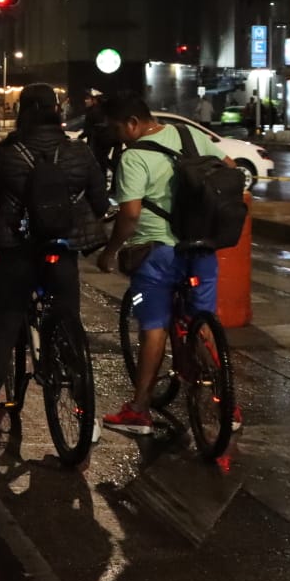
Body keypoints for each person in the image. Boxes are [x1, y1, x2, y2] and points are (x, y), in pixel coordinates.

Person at [0, 83, 108, 445]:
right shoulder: (79, 152)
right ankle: (86, 418)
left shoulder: (7, 153)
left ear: (23, 111)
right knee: (69, 329)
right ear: (56, 110)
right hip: (63, 251)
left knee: (4, 334)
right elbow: (100, 199)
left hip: (18, 252)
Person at [96, 91, 235, 434]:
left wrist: (110, 250)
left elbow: (129, 215)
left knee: (153, 326)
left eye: (117, 129)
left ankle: (140, 410)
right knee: (203, 323)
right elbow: (229, 168)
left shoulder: (134, 158)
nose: (117, 136)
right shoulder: (190, 135)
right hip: (202, 248)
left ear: (132, 123)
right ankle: (229, 407)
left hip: (158, 254)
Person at [80, 89, 117, 184]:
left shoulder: (93, 112)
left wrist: (79, 138)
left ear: (95, 100)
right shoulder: (106, 111)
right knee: (102, 165)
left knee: (95, 166)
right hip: (106, 144)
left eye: (88, 99)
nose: (85, 101)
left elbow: (87, 130)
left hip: (96, 143)